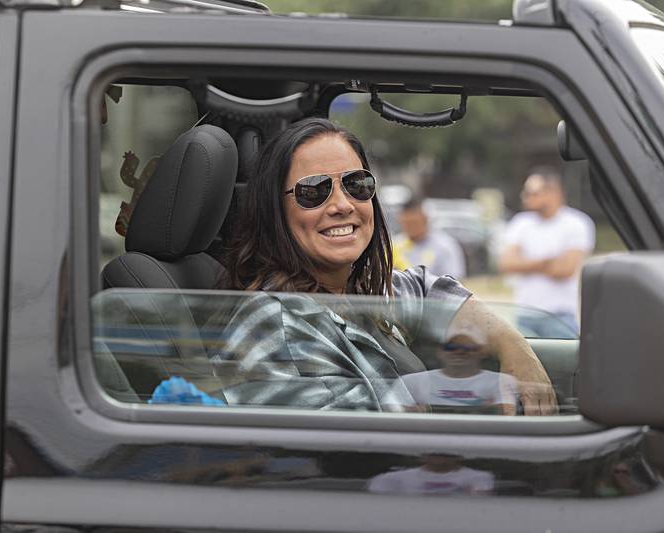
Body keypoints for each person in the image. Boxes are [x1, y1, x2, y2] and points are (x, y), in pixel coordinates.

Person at [214, 118, 555, 415]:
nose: (342, 205)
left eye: (356, 185)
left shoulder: (358, 291)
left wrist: (515, 348)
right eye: (313, 191)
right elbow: (339, 452)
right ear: (275, 212)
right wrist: (454, 389)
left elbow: (431, 292)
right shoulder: (273, 326)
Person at [499, 167, 595, 334]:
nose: (525, 197)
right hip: (524, 314)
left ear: (554, 193)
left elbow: (565, 270)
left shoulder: (576, 223)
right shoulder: (521, 222)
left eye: (532, 192)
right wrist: (547, 262)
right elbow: (506, 264)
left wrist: (524, 264)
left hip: (559, 316)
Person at [389, 324, 518, 415]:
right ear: (440, 351)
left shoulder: (501, 382)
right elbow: (388, 413)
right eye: (451, 347)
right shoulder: (411, 382)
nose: (459, 352)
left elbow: (506, 416)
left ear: (483, 352)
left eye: (469, 347)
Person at [393, 198, 466, 278]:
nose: (410, 228)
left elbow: (455, 283)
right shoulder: (395, 246)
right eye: (406, 224)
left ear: (425, 219)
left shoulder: (445, 246)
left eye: (414, 223)